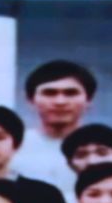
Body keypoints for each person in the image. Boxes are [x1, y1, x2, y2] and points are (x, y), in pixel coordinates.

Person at [12, 59, 97, 194]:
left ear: (89, 100)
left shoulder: (106, 150)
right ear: (30, 100)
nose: (60, 102)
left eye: (70, 93)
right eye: (49, 93)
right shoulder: (12, 147)